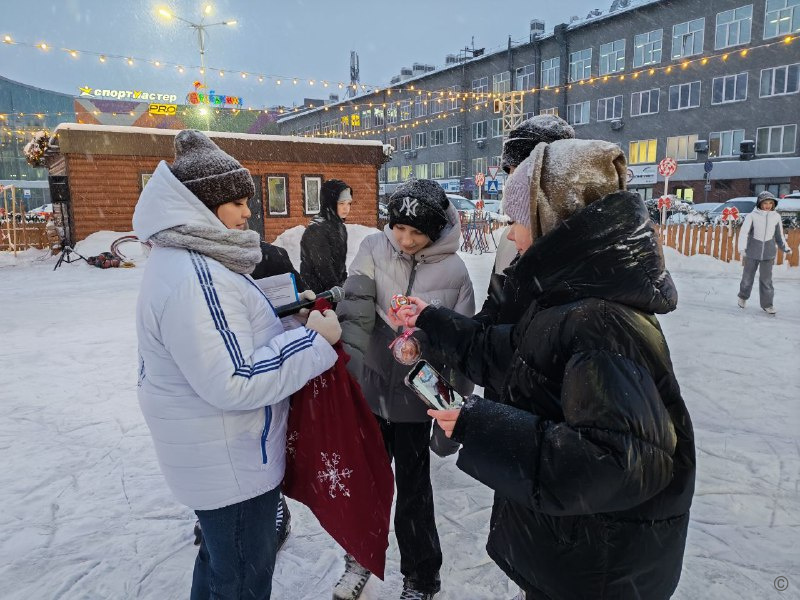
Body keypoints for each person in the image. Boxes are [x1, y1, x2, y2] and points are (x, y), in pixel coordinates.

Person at [394, 139, 696, 600]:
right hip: (574, 550)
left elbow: (615, 463)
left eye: (517, 220)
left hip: (595, 570)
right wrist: (432, 319)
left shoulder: (600, 320)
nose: (512, 236)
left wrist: (479, 423)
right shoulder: (570, 297)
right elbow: (510, 355)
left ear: (552, 219)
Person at [133, 129, 342, 600]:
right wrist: (312, 341)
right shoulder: (197, 275)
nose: (248, 212)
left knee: (220, 568)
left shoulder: (192, 258)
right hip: (231, 463)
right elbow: (234, 379)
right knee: (242, 579)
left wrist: (286, 320)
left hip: (216, 453)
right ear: (201, 207)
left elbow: (225, 337)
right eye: (237, 203)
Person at [335, 178, 475, 600]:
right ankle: (359, 558)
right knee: (367, 484)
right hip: (373, 389)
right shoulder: (374, 249)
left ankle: (421, 577)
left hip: (417, 401)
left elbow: (462, 349)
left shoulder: (455, 271)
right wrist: (349, 366)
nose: (406, 239)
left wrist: (455, 417)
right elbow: (355, 308)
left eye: (417, 232)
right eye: (399, 228)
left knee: (414, 493)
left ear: (435, 230)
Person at [478, 114, 575, 326]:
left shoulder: (578, 250)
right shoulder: (509, 238)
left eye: (520, 173)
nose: (512, 183)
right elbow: (494, 308)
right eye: (510, 174)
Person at [737, 190, 792, 315]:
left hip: (768, 253)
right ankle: (743, 296)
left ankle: (767, 304)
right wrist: (742, 248)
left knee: (766, 281)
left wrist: (785, 247)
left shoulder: (776, 217)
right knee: (747, 278)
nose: (768, 205)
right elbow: (744, 233)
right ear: (760, 204)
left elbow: (779, 235)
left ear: (773, 204)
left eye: (770, 203)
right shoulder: (752, 216)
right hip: (752, 252)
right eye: (765, 203)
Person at [300, 178, 352, 294]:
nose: (346, 208)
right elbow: (323, 267)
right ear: (330, 203)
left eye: (349, 203)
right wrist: (336, 289)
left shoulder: (340, 227)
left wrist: (344, 282)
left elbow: (340, 264)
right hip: (316, 294)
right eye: (341, 203)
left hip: (334, 291)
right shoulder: (316, 229)